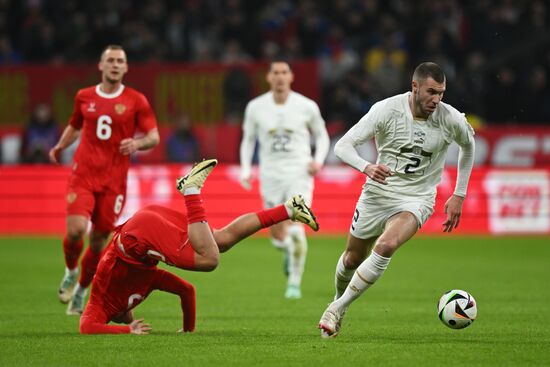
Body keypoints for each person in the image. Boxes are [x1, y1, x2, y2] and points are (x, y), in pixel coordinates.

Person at [318, 62, 475, 338]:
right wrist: (366, 167)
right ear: (414, 87)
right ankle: (338, 300)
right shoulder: (386, 110)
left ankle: (335, 308)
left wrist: (459, 194)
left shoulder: (451, 118)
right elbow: (342, 146)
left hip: (418, 197)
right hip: (378, 193)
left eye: (441, 93)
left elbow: (468, 146)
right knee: (352, 258)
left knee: (387, 244)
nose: (436, 99)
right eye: (431, 92)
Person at [79, 159, 319, 334]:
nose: (130, 316)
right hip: (144, 226)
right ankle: (289, 209)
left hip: (138, 240)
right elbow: (187, 291)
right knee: (222, 241)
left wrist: (128, 331)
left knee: (209, 259)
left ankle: (191, 190)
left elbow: (87, 327)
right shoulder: (146, 282)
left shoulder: (100, 304)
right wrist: (188, 331)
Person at [49, 45, 160, 315]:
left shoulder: (136, 100)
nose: (114, 65)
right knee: (76, 230)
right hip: (83, 175)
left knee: (98, 242)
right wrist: (61, 146)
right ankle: (71, 270)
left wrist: (137, 143)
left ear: (126, 67)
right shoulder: (84, 96)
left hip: (114, 181)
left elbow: (154, 136)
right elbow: (75, 125)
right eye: (110, 60)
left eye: (119, 61)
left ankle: (82, 291)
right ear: (101, 66)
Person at [239, 59, 330, 299]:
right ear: (268, 78)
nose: (280, 77)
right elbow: (248, 139)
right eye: (275, 73)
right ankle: (288, 250)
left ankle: (294, 284)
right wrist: (246, 169)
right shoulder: (255, 107)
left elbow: (321, 136)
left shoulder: (306, 106)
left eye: (284, 73)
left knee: (296, 226)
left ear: (291, 77)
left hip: (299, 172)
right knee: (277, 233)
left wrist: (318, 160)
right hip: (270, 174)